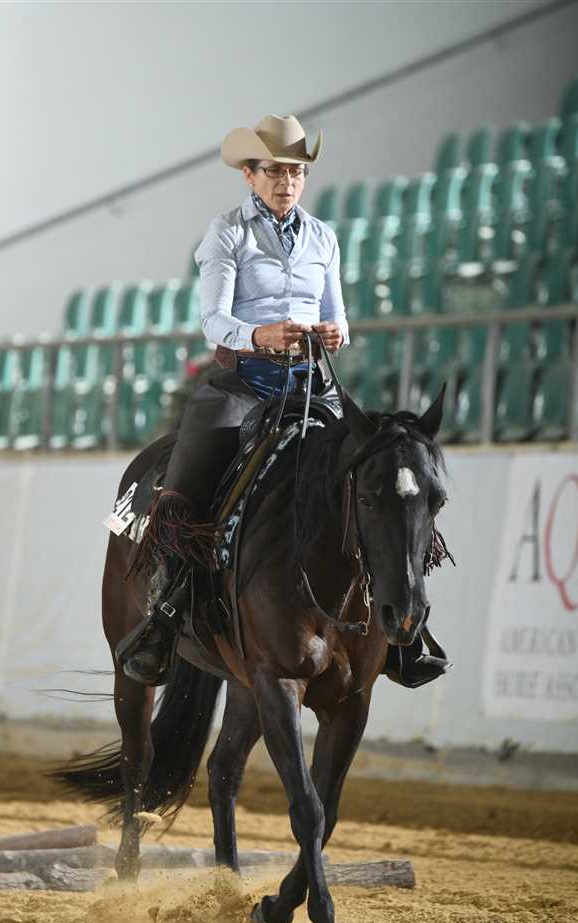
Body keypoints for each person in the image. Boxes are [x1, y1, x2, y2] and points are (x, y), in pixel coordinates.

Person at [116, 114, 448, 689]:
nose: (286, 181)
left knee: (385, 484)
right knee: (184, 494)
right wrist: (260, 335)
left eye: (296, 172)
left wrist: (336, 332)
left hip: (313, 387)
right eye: (274, 171)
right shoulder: (226, 233)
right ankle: (167, 613)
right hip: (243, 387)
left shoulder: (323, 237)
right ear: (249, 175)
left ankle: (402, 622)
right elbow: (213, 320)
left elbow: (338, 314)